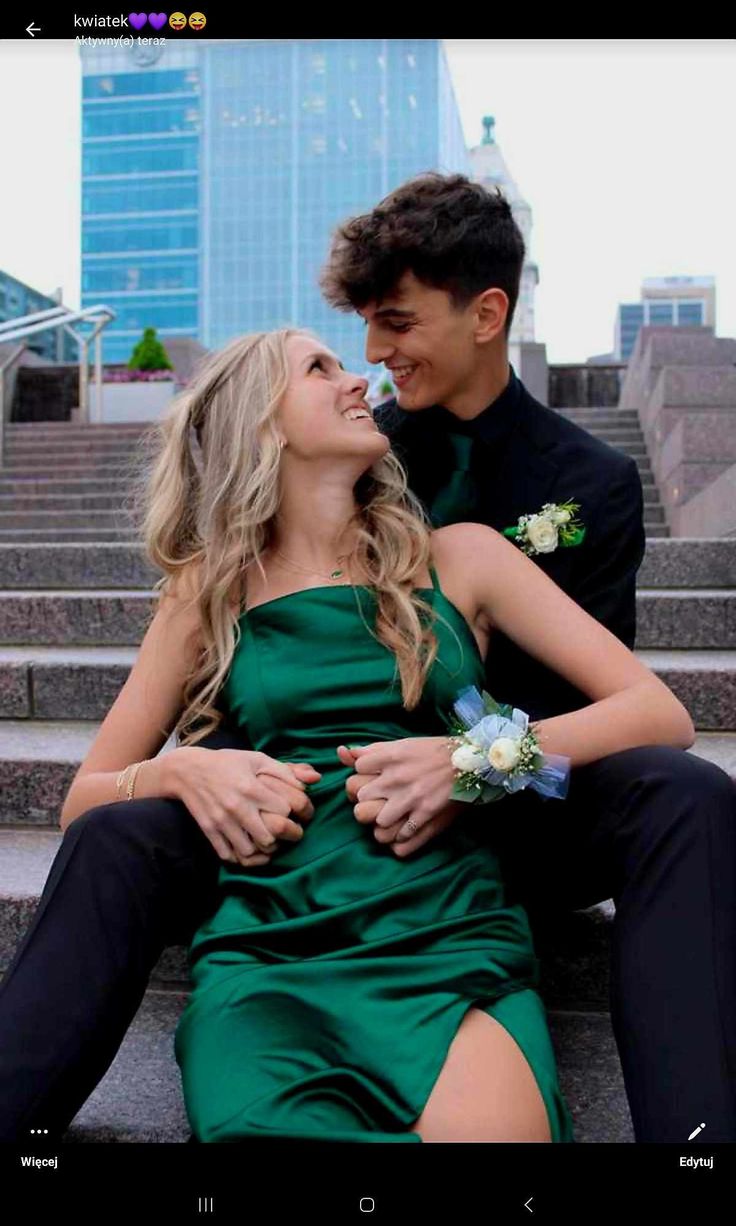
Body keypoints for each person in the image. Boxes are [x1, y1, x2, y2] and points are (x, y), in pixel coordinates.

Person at [0, 173, 733, 1144]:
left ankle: (696, 1142)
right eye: (334, 356)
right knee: (113, 834)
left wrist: (466, 759)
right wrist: (184, 766)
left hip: (484, 826)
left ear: (485, 315)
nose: (368, 365)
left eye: (391, 326)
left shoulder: (542, 505)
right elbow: (97, 786)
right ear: (262, 426)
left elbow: (635, 712)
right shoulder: (271, 529)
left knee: (682, 790)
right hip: (283, 856)